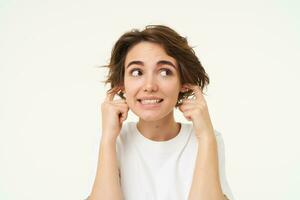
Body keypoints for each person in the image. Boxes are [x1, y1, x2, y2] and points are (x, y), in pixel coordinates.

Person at [87, 25, 234, 200]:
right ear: (122, 84)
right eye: (136, 72)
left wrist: (206, 136)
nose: (149, 86)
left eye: (165, 72)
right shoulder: (112, 140)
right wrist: (108, 139)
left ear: (183, 83)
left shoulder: (207, 139)